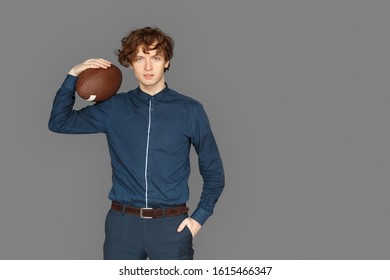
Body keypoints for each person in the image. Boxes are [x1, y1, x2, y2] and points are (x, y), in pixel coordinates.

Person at [48, 26, 225, 260]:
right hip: (122, 228)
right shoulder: (114, 108)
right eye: (140, 58)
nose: (148, 67)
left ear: (167, 62)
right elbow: (59, 122)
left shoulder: (190, 110)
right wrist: (73, 74)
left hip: (172, 227)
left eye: (156, 57)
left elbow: (214, 172)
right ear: (130, 63)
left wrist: (199, 218)